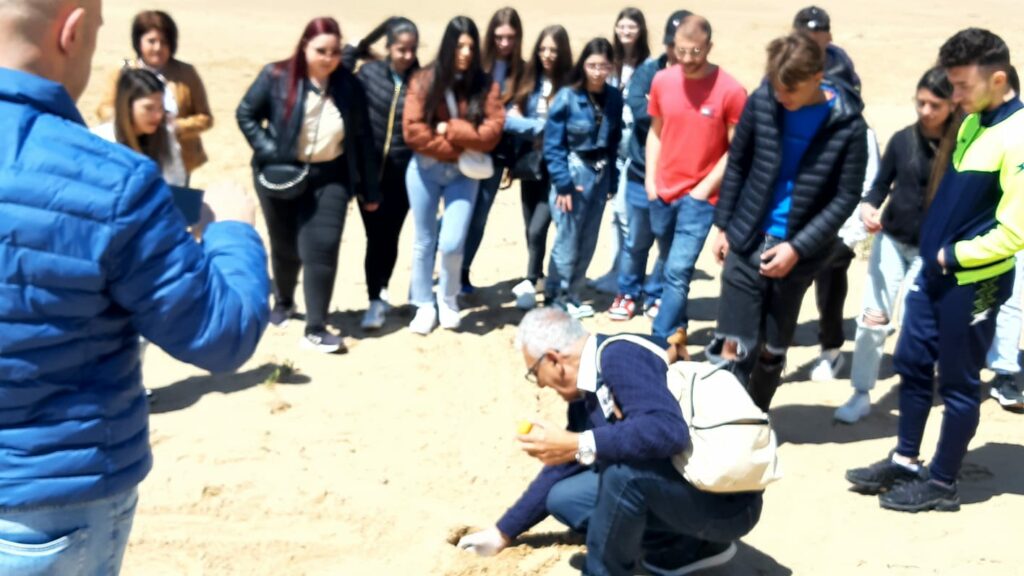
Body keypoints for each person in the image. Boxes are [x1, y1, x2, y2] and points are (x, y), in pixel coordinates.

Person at [0, 1, 269, 573]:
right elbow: (222, 334)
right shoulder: (110, 180)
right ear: (71, 33)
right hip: (52, 501)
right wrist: (234, 233)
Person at [847, 29, 1024, 512]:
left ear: (999, 78)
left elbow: (1013, 235)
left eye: (963, 86)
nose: (955, 96)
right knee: (912, 364)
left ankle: (942, 482)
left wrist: (951, 256)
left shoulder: (1018, 136)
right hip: (934, 275)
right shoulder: (971, 122)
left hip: (974, 281)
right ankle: (905, 460)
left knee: (961, 383)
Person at [455, 308, 762, 576]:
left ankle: (692, 547)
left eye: (536, 375)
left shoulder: (619, 358)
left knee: (623, 477)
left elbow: (668, 431)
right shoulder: (588, 388)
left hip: (728, 507)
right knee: (564, 497)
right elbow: (562, 467)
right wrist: (502, 532)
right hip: (694, 491)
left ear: (553, 360)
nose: (543, 385)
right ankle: (676, 544)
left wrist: (581, 442)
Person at [709, 32, 867, 412]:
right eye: (776, 88)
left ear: (817, 77)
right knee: (732, 341)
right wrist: (723, 224)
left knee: (771, 347)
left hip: (798, 253)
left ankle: (755, 416)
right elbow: (739, 163)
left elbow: (845, 198)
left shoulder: (849, 127)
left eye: (790, 91)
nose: (781, 98)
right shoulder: (762, 101)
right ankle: (723, 421)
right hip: (747, 238)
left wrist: (798, 247)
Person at [237, 16, 380, 353]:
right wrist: (271, 150)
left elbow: (363, 138)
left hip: (330, 177)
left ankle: (316, 327)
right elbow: (246, 113)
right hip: (279, 175)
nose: (328, 58)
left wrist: (369, 189)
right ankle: (284, 302)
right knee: (285, 246)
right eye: (321, 50)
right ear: (304, 47)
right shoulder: (276, 76)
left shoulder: (348, 85)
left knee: (322, 247)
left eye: (334, 51)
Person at [834, 68, 955, 423]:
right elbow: (878, 186)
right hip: (890, 241)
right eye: (920, 102)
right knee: (873, 319)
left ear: (951, 105)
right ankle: (860, 393)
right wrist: (868, 207)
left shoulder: (961, 147)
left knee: (916, 323)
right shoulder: (903, 140)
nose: (926, 111)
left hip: (931, 251)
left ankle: (918, 387)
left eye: (935, 104)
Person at [639, 15, 747, 341]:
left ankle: (659, 339)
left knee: (677, 270)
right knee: (670, 262)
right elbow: (655, 133)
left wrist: (702, 189)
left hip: (700, 198)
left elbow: (736, 149)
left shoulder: (730, 90)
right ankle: (678, 326)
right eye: (681, 51)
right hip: (662, 192)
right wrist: (650, 180)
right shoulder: (662, 81)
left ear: (709, 47)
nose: (687, 59)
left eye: (695, 52)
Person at [402, 15, 505, 334]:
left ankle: (448, 299)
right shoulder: (423, 80)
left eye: (471, 46)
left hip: (464, 174)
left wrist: (451, 128)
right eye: (459, 45)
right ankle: (423, 303)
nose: (465, 52)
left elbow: (491, 133)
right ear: (449, 46)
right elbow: (413, 131)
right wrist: (458, 144)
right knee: (423, 240)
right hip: (425, 170)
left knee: (452, 241)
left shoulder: (486, 85)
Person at [611, 10, 691, 322]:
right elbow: (637, 106)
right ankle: (628, 292)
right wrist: (677, 112)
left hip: (679, 179)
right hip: (640, 174)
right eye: (673, 43)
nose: (677, 50)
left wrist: (660, 107)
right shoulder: (649, 70)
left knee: (667, 243)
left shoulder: (700, 78)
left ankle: (656, 293)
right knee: (636, 240)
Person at [543, 38, 623, 319]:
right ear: (583, 65)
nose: (598, 71)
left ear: (611, 67)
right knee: (567, 238)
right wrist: (563, 183)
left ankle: (574, 294)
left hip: (600, 175)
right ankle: (556, 296)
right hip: (574, 171)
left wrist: (611, 181)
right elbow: (553, 145)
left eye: (603, 65)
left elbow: (613, 144)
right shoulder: (567, 97)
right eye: (592, 65)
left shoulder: (614, 97)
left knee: (588, 238)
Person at [355, 17, 420, 330]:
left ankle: (379, 293)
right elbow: (342, 67)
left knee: (390, 236)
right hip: (368, 175)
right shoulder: (368, 74)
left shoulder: (421, 82)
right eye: (400, 49)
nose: (406, 55)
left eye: (411, 49)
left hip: (403, 177)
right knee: (373, 237)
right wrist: (366, 37)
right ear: (388, 48)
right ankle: (373, 297)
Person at [97, 10, 212, 184]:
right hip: (130, 156)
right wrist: (131, 121)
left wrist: (175, 127)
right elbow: (104, 109)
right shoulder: (122, 72)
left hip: (177, 159)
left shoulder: (186, 74)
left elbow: (205, 118)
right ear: (138, 41)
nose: (158, 48)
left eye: (164, 42)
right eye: (151, 41)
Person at [504, 25, 574, 310]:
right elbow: (509, 119)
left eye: (553, 50)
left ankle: (532, 279)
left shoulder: (570, 84)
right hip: (529, 165)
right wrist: (542, 127)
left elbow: (573, 124)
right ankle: (539, 277)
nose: (547, 55)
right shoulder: (528, 80)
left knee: (538, 228)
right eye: (542, 49)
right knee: (529, 226)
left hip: (556, 167)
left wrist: (548, 132)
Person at [460, 7, 525, 294]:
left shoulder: (522, 71)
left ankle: (462, 272)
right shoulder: (476, 65)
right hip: (466, 148)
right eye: (499, 37)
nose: (505, 43)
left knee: (479, 216)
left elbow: (519, 116)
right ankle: (438, 269)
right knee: (457, 212)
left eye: (510, 37)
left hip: (497, 155)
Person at [591, 7, 651, 295]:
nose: (625, 32)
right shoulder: (609, 62)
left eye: (631, 27)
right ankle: (616, 271)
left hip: (637, 145)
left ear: (640, 31)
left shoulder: (649, 65)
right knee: (615, 212)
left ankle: (626, 276)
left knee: (626, 214)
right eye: (622, 26)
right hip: (613, 142)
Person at [985, 66, 1024, 412]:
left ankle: (1005, 372)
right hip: (989, 228)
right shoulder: (987, 128)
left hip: (1018, 232)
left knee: (1013, 302)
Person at [94, 67, 187, 186]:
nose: (158, 115)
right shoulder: (101, 140)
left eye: (161, 108)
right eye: (148, 108)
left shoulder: (165, 136)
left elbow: (176, 180)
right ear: (127, 105)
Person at [792, 6, 860, 92]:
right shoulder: (782, 61)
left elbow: (854, 91)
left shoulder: (840, 64)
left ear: (829, 37)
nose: (808, 46)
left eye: (814, 41)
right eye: (804, 38)